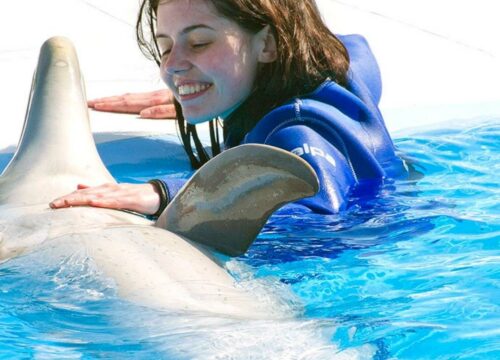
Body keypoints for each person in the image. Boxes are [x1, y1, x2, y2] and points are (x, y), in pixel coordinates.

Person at [50, 0, 407, 216]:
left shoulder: (294, 132)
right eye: (166, 46)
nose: (172, 65)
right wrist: (202, 85)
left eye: (199, 43)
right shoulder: (344, 76)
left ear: (268, 44)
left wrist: (172, 196)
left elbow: (320, 212)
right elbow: (355, 49)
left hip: (369, 245)